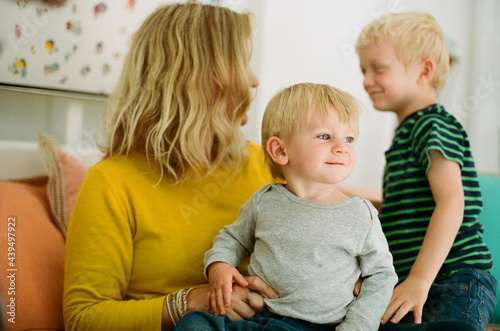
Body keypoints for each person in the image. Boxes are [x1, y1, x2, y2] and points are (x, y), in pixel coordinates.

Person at [63, 3, 280, 330]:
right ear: (192, 77)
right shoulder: (112, 182)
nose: (252, 80)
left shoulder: (266, 161)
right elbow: (83, 318)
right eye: (239, 65)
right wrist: (193, 301)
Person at [174, 83, 399, 331]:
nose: (341, 147)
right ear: (280, 150)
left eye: (349, 138)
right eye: (325, 136)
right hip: (258, 317)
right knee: (193, 324)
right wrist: (219, 264)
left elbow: (381, 275)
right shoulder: (264, 201)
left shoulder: (360, 213)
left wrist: (358, 325)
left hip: (323, 326)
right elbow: (233, 239)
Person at [355, 12, 497, 330]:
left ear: (425, 70)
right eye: (363, 70)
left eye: (378, 69)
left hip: (454, 278)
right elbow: (398, 205)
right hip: (414, 281)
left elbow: (451, 201)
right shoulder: (408, 133)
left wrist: (420, 279)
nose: (366, 80)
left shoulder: (431, 125)